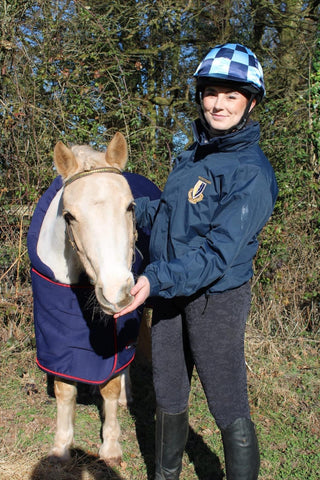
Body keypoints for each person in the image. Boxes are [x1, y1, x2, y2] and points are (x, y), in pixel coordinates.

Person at [115, 43, 278, 479]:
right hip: (168, 293)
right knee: (169, 396)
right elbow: (169, 216)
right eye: (211, 92)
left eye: (232, 95)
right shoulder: (190, 157)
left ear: (250, 102)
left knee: (226, 400)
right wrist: (125, 205)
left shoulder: (251, 172)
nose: (218, 104)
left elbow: (216, 254)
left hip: (215, 300)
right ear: (200, 95)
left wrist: (153, 278)